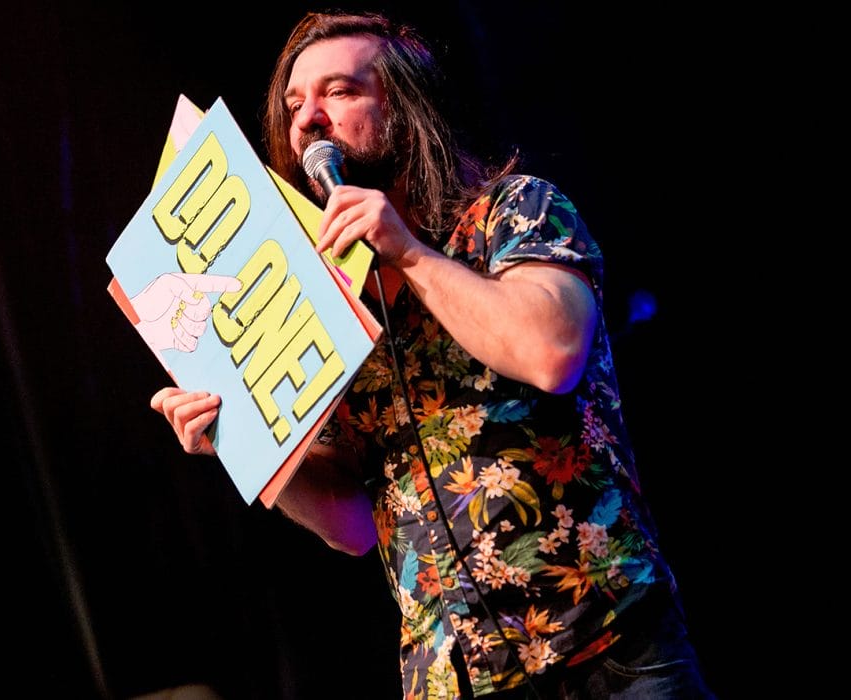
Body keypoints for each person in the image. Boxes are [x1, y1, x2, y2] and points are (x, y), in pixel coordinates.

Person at [150, 10, 715, 699]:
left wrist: (410, 253)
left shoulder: (515, 211)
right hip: (458, 677)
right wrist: (239, 443)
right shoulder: (323, 303)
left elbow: (551, 350)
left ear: (406, 111)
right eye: (296, 104)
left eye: (340, 92)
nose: (309, 119)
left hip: (608, 639)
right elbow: (353, 527)